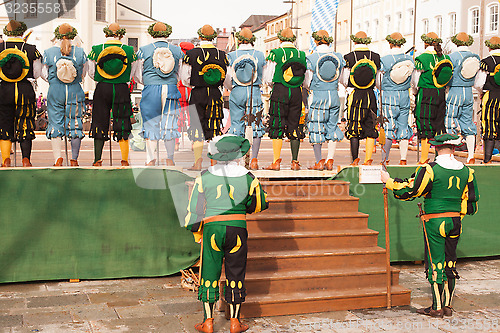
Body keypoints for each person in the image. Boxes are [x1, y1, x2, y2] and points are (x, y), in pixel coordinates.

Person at [381, 133, 478, 318]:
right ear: (454, 148)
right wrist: (457, 215)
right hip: (456, 221)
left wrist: (389, 182)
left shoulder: (430, 169)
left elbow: (412, 189)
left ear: (435, 148)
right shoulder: (467, 171)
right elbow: (471, 201)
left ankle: (436, 307)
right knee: (450, 261)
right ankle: (448, 305)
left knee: (435, 263)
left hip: (434, 221)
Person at [185, 135, 269, 333]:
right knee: (236, 272)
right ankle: (235, 322)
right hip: (238, 230)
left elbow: (195, 209)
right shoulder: (249, 177)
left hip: (213, 229)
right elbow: (259, 203)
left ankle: (208, 322)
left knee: (209, 273)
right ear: (237, 156)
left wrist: (197, 232)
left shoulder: (204, 176)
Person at [87, 23, 139, 166]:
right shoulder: (129, 50)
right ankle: (124, 159)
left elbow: (91, 72)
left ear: (106, 34)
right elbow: (132, 72)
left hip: (102, 87)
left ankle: (97, 159)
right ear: (121, 35)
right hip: (121, 87)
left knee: (98, 121)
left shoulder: (96, 49)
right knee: (123, 121)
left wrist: (102, 79)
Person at [180, 25, 229, 171]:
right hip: (215, 93)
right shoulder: (222, 55)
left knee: (197, 126)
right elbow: (226, 79)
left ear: (200, 36)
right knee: (214, 127)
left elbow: (184, 78)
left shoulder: (192, 54)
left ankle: (198, 162)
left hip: (197, 93)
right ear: (213, 37)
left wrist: (196, 83)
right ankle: (213, 163)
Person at [135, 22, 184, 166]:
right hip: (171, 88)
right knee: (170, 124)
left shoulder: (144, 50)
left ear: (152, 33)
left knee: (150, 123)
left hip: (151, 88)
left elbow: (138, 74)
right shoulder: (177, 50)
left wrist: (149, 81)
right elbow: (180, 73)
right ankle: (170, 158)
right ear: (167, 34)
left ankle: (150, 159)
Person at [42, 23, 87, 166]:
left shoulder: (49, 52)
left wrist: (53, 80)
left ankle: (58, 158)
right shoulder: (80, 52)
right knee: (75, 123)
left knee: (55, 122)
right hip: (74, 90)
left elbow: (44, 74)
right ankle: (74, 158)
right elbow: (84, 73)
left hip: (55, 90)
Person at [263, 28, 307, 171]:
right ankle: (295, 161)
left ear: (280, 39)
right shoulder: (301, 54)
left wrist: (273, 85)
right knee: (295, 124)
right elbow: (305, 77)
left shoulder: (275, 53)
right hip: (296, 91)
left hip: (280, 90)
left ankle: (276, 162)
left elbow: (268, 76)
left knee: (277, 124)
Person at [0, 20, 42, 167]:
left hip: (4, 90)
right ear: (22, 32)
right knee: (25, 123)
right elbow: (36, 74)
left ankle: (6, 159)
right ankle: (26, 159)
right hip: (24, 89)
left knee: (4, 124)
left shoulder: (0, 47)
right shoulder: (31, 48)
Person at [224, 28, 266, 170]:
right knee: (256, 124)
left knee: (236, 124)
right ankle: (254, 159)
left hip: (237, 91)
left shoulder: (231, 55)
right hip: (254, 90)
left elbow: (227, 78)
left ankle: (237, 159)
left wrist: (232, 88)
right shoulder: (259, 55)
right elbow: (265, 76)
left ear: (239, 40)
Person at [303, 30, 344, 171]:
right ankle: (330, 159)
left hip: (318, 95)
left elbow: (307, 81)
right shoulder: (338, 57)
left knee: (316, 126)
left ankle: (319, 161)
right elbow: (342, 78)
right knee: (332, 126)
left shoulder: (312, 58)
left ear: (315, 41)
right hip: (333, 95)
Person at [412, 32, 453, 164]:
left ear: (425, 43)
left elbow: (415, 79)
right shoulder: (445, 57)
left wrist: (414, 91)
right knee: (439, 123)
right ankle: (439, 157)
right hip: (440, 93)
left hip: (426, 92)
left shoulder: (422, 58)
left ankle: (424, 157)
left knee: (424, 123)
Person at [341, 31, 380, 165]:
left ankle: (355, 159)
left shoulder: (349, 57)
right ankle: (368, 159)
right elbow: (378, 79)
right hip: (370, 94)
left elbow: (345, 79)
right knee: (370, 125)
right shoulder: (375, 57)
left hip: (355, 95)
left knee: (354, 126)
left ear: (355, 42)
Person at [378, 32, 414, 166]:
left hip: (389, 95)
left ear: (390, 43)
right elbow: (413, 80)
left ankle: (384, 158)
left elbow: (379, 81)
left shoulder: (385, 59)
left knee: (388, 126)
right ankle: (403, 159)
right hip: (404, 95)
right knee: (403, 126)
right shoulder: (409, 59)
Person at [446, 32, 480, 165]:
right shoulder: (475, 56)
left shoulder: (451, 57)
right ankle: (471, 155)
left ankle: (451, 156)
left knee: (450, 121)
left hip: (455, 90)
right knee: (468, 122)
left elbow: (446, 76)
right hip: (469, 91)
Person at [474, 36, 500, 164]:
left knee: (489, 125)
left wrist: (480, 93)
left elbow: (479, 83)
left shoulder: (486, 62)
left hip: (491, 96)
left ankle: (487, 159)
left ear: (489, 47)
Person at [177, 42, 194, 151]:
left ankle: (176, 143)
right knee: (192, 117)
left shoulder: (177, 60)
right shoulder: (193, 60)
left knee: (178, 118)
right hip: (190, 89)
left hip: (179, 89)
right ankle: (193, 142)